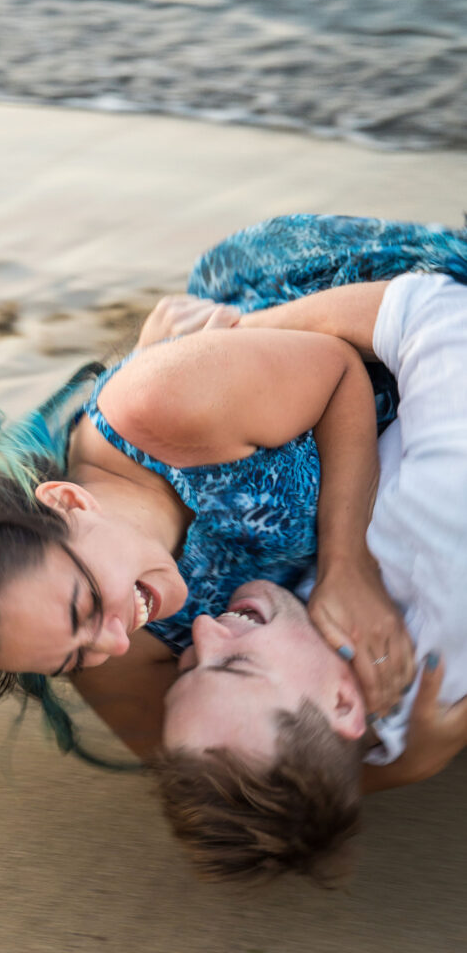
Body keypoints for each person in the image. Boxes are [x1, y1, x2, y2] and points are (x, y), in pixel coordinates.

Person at [0, 216, 466, 778]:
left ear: (68, 504)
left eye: (86, 608)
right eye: (70, 659)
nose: (118, 643)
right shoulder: (108, 643)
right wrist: (409, 764)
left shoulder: (168, 407)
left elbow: (340, 371)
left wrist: (346, 565)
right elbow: (189, 758)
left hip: (335, 332)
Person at [158, 271, 467, 884]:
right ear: (345, 701)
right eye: (234, 665)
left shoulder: (387, 727)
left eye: (187, 670)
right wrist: (230, 336)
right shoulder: (437, 534)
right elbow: (435, 310)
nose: (201, 631)